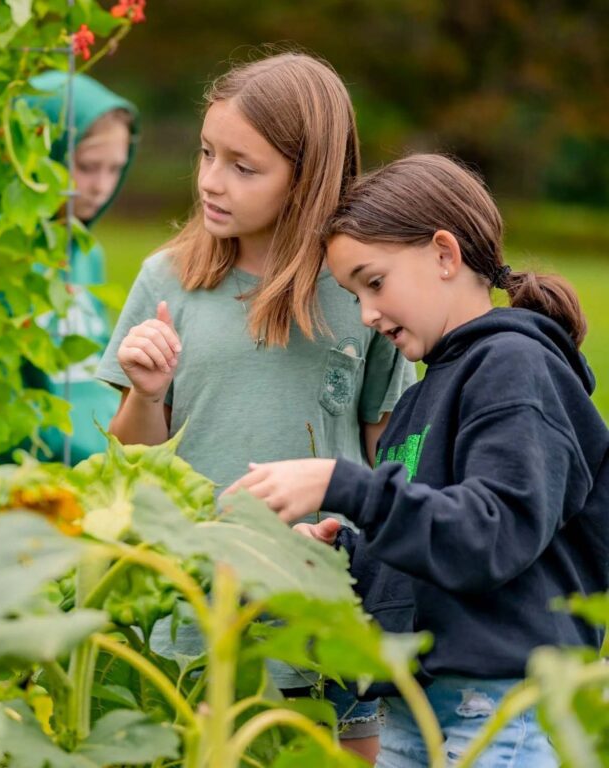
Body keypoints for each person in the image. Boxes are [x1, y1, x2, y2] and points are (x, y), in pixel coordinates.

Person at [227, 153, 609, 767]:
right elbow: (423, 554)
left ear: (443, 254)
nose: (367, 314)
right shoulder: (418, 399)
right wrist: (341, 558)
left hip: (504, 707)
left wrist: (343, 484)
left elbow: (492, 532)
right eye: (353, 294)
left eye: (373, 282)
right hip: (418, 704)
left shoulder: (515, 368)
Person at [96, 52, 415, 762]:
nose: (211, 180)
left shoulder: (359, 293)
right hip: (191, 598)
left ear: (310, 177)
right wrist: (146, 395)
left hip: (319, 595)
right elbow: (132, 465)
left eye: (245, 166)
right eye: (208, 154)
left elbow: (386, 454)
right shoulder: (168, 278)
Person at [21, 71, 139, 463]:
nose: (101, 186)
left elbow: (99, 373)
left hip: (96, 458)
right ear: (44, 154)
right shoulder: (4, 259)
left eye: (115, 168)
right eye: (87, 166)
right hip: (35, 467)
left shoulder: (88, 254)